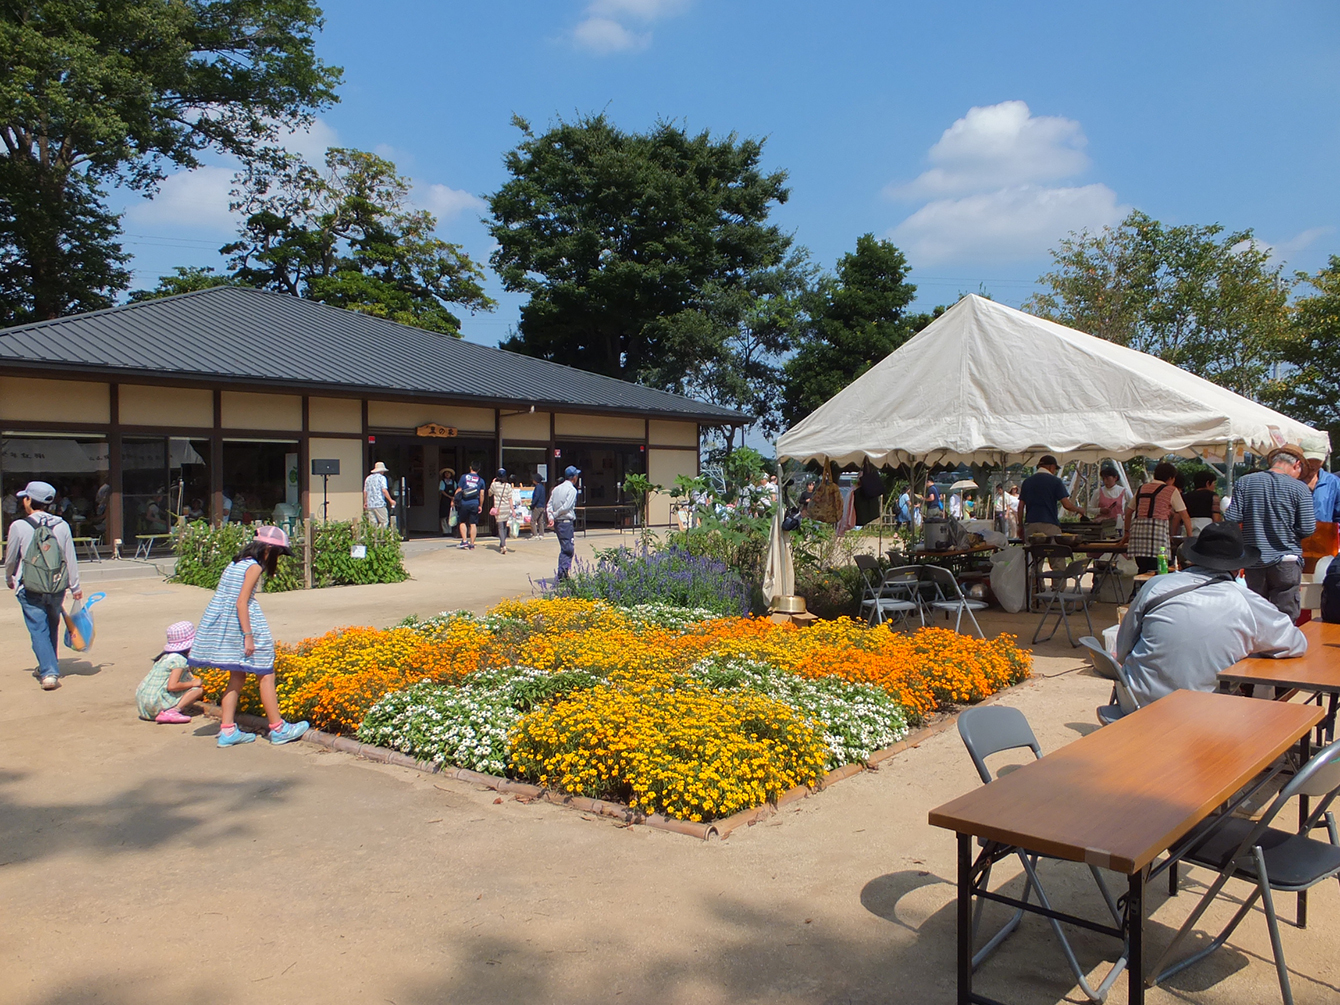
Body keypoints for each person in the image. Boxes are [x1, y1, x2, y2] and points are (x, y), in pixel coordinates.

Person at [1117, 522, 1306, 705]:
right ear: (1238, 569)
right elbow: (1295, 643)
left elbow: (1123, 647)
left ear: (1194, 558)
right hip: (1204, 714)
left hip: (1135, 703)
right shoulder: (1246, 601)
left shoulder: (1155, 585)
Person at [188, 525, 309, 747]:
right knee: (266, 673)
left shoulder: (236, 562)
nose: (278, 558)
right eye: (279, 553)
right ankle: (278, 728)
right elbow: (241, 602)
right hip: (244, 623)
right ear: (269, 548)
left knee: (237, 675)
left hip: (228, 624)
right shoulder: (253, 567)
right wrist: (248, 636)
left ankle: (227, 729)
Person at [1225, 444, 1316, 622]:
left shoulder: (1245, 481)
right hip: (1286, 561)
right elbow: (1308, 528)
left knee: (1257, 616)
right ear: (1296, 464)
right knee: (1285, 617)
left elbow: (1232, 517)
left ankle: (1259, 650)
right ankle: (1282, 649)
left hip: (1254, 560)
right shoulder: (1299, 488)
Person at [5, 481, 82, 690]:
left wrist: (9, 577)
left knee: (38, 629)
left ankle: (49, 672)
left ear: (29, 500)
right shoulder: (62, 525)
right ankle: (48, 664)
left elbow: (11, 558)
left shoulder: (19, 526)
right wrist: (75, 586)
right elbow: (70, 558)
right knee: (51, 626)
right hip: (57, 586)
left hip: (29, 586)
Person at [1124, 462, 1193, 574]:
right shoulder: (1171, 490)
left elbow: (1128, 512)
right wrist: (1190, 537)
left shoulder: (1142, 488)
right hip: (1158, 534)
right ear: (1171, 478)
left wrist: (1127, 532)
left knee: (1142, 569)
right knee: (1161, 569)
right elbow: (1185, 516)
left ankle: (1139, 589)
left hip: (1138, 535)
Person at [136, 621, 206, 724]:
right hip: (155, 704)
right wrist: (193, 683)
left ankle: (169, 709)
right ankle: (173, 711)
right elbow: (172, 686)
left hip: (143, 706)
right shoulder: (179, 660)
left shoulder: (165, 657)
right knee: (197, 690)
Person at [1019, 455, 1084, 538]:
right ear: (1051, 466)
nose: (1054, 471)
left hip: (1031, 524)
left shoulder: (1027, 482)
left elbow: (1020, 506)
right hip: (1049, 524)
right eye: (1055, 469)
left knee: (1032, 550)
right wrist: (1079, 509)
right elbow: (1066, 505)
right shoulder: (1055, 481)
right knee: (1051, 549)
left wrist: (1020, 525)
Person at [547, 465, 580, 581]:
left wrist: (551, 517)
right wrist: (555, 514)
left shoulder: (556, 489)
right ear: (574, 477)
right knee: (568, 548)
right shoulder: (572, 490)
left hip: (558, 523)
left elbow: (549, 504)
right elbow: (567, 506)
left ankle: (564, 573)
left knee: (565, 547)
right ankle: (563, 574)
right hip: (566, 522)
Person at [454, 462, 486, 550]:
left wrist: (454, 500)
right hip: (475, 503)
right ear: (479, 470)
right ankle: (472, 544)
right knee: (473, 524)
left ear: (470, 467)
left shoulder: (464, 477)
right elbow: (482, 494)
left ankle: (464, 541)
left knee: (462, 522)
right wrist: (480, 505)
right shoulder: (481, 480)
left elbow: (459, 489)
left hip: (464, 503)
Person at [364, 461, 396, 528]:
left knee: (373, 523)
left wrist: (365, 502)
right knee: (384, 521)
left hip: (370, 504)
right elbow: (384, 490)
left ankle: (374, 536)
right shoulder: (382, 478)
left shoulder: (368, 478)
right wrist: (390, 500)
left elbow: (365, 491)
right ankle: (381, 536)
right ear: (381, 471)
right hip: (379, 503)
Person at [489, 468, 514, 554]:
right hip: (506, 508)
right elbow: (510, 498)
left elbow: (489, 493)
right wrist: (513, 510)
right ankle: (502, 544)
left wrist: (492, 483)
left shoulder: (494, 485)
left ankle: (503, 545)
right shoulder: (508, 486)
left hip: (498, 508)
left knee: (500, 527)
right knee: (504, 526)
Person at [438, 467, 457, 536]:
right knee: (443, 516)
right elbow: (441, 491)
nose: (447, 474)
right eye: (446, 473)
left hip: (452, 500)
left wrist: (454, 498)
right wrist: (449, 497)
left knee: (451, 515)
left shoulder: (453, 482)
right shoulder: (442, 482)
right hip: (445, 500)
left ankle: (450, 530)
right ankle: (445, 531)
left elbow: (456, 490)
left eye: (448, 473)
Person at [530, 474, 548, 540]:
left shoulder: (537, 487)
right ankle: (541, 534)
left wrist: (532, 504)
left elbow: (536, 497)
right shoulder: (542, 487)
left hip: (537, 506)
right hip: (542, 506)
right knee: (540, 521)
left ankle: (535, 535)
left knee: (533, 521)